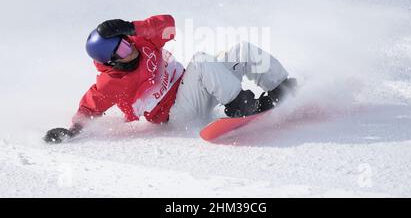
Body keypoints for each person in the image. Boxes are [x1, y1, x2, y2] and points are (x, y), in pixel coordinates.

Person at [44, 15, 296, 143]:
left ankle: (281, 86)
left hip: (195, 87)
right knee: (201, 60)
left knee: (243, 49)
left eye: (125, 41)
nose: (129, 49)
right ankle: (241, 104)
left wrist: (132, 27)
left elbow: (168, 25)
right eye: (120, 51)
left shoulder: (140, 41)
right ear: (110, 61)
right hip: (177, 113)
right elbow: (90, 107)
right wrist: (71, 131)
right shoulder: (112, 83)